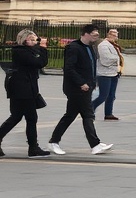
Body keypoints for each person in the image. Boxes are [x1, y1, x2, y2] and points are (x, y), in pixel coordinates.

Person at [49, 24, 112, 156]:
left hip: (86, 87)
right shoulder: (73, 48)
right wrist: (81, 83)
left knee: (71, 116)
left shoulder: (90, 47)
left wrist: (93, 83)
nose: (97, 37)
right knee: (88, 115)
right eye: (94, 34)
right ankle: (95, 145)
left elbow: (91, 67)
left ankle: (54, 141)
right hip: (76, 88)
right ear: (86, 34)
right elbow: (69, 68)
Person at [0, 29, 51, 156]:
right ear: (24, 40)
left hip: (25, 87)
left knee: (16, 117)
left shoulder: (28, 51)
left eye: (36, 39)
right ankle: (33, 148)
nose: (35, 42)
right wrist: (43, 47)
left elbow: (37, 58)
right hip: (22, 88)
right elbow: (40, 63)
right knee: (30, 118)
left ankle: (33, 147)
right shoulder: (20, 52)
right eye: (32, 39)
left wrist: (40, 47)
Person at [94, 28, 123, 120]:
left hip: (114, 73)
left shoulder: (113, 45)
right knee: (103, 95)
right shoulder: (103, 45)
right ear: (108, 35)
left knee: (111, 96)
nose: (115, 37)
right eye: (114, 35)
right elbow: (105, 59)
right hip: (104, 74)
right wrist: (117, 58)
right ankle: (90, 109)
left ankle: (108, 113)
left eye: (116, 35)